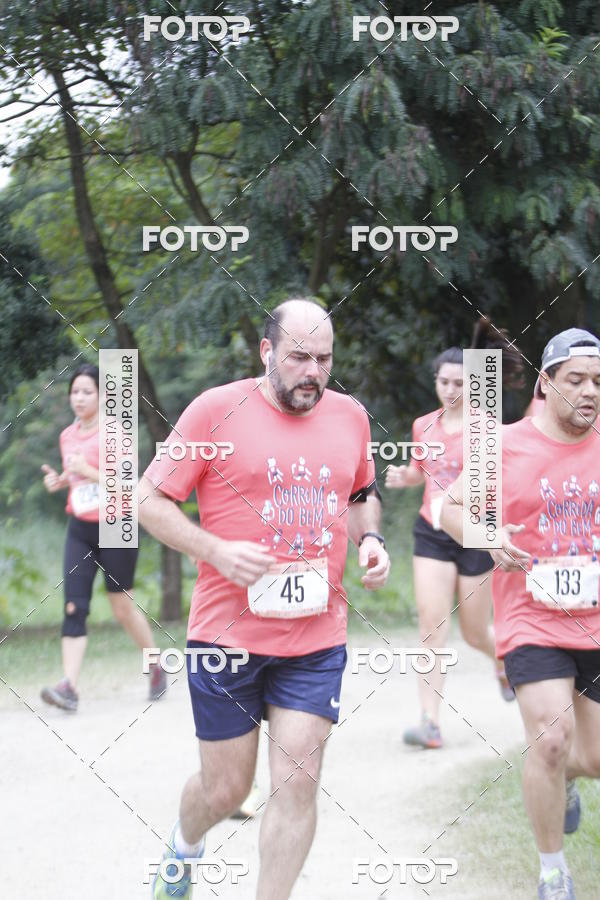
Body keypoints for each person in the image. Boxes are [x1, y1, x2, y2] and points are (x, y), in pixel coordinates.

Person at [138, 298, 390, 900]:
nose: (313, 372)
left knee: (297, 783)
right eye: (299, 357)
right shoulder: (215, 412)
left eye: (324, 360)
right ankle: (186, 842)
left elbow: (360, 496)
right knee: (225, 789)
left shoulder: (350, 416)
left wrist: (372, 540)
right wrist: (215, 551)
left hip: (315, 639)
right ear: (267, 351)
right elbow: (147, 500)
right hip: (227, 639)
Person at [440, 328, 600, 900]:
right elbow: (447, 509)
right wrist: (489, 534)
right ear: (545, 383)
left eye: (599, 382)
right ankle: (553, 871)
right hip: (532, 617)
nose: (589, 392)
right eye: (576, 380)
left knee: (591, 756)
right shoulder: (502, 445)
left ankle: (569, 780)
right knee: (551, 739)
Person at [385, 320, 522, 749]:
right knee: (432, 626)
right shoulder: (422, 426)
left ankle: (502, 662)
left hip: (475, 535)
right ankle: (430, 722)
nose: (450, 389)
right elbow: (422, 471)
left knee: (475, 631)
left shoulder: (487, 430)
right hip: (432, 532)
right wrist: (404, 478)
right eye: (443, 382)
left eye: (460, 382)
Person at [40, 363, 166, 711]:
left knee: (122, 607)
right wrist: (61, 480)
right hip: (80, 528)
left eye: (86, 392)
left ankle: (154, 665)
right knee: (73, 606)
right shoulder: (67, 435)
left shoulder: (115, 434)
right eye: (74, 392)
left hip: (116, 525)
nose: (78, 398)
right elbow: (75, 476)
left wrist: (87, 471)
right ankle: (69, 688)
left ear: (103, 396)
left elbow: (127, 485)